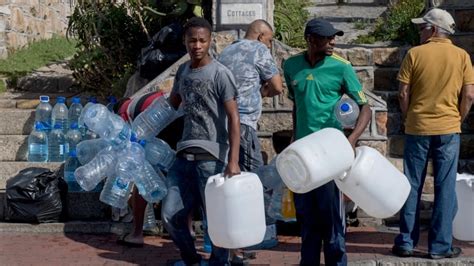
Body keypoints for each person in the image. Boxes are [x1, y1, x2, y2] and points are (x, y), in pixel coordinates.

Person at [282, 18, 371, 265]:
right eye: (327, 38)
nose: (333, 42)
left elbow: (365, 108)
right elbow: (297, 106)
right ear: (311, 40)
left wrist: (351, 140)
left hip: (330, 157)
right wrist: (293, 136)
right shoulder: (291, 66)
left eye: (334, 37)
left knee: (333, 227)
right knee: (307, 224)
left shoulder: (341, 67)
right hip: (302, 157)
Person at [392, 8, 474, 259]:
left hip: (417, 127)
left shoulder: (415, 54)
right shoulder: (462, 56)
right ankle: (440, 246)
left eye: (423, 27)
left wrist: (408, 117)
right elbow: (469, 95)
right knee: (445, 187)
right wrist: (458, 119)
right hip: (449, 128)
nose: (420, 31)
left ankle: (406, 242)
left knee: (411, 185)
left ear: (434, 30)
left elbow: (403, 92)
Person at [160, 17, 241, 265]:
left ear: (210, 41)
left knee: (215, 219)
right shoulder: (183, 71)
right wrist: (143, 119)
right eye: (192, 40)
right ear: (185, 41)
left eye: (202, 40)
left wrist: (233, 161)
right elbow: (171, 105)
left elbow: (233, 118)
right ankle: (191, 259)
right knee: (170, 215)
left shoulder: (220, 74)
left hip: (212, 158)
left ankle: (219, 262)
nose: (197, 45)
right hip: (183, 155)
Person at [218, 19, 284, 252]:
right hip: (244, 124)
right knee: (255, 180)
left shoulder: (226, 51)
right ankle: (258, 236)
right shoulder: (258, 50)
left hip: (221, 125)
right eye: (269, 41)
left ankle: (232, 235)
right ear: (260, 36)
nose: (269, 46)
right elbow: (277, 86)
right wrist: (262, 91)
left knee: (231, 178)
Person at [114, 91, 185, 247]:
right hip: (182, 115)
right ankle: (184, 228)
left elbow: (128, 151)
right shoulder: (144, 99)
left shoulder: (122, 113)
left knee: (143, 174)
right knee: (183, 169)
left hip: (162, 121)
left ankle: (136, 234)